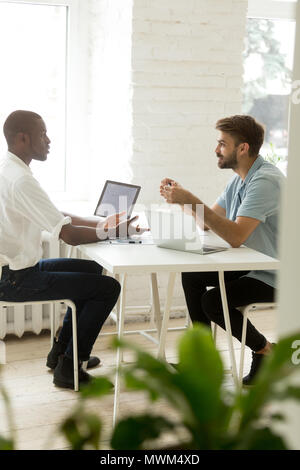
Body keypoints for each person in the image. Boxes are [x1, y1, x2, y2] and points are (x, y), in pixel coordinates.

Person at [0, 110, 142, 389]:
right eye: (42, 135)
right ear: (22, 138)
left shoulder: (10, 168)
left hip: (17, 269)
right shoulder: (21, 180)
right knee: (107, 288)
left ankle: (59, 355)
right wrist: (113, 232)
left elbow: (56, 215)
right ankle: (70, 368)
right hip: (15, 279)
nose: (48, 140)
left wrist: (102, 222)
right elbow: (68, 235)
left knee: (90, 269)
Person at [160, 115, 283, 386]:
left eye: (222, 144)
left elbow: (236, 236)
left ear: (243, 149)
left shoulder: (265, 181)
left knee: (213, 301)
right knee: (191, 275)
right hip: (253, 265)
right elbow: (207, 223)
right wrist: (182, 199)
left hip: (276, 273)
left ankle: (265, 350)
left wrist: (191, 200)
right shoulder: (239, 180)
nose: (216, 150)